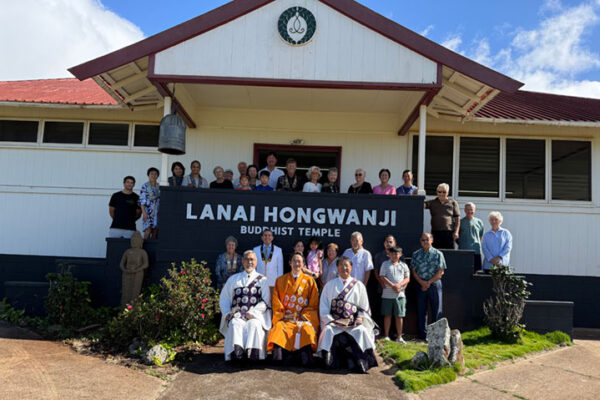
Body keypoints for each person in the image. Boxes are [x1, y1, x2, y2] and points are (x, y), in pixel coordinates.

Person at [317, 256, 378, 373]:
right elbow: (324, 308)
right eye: (341, 265)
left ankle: (361, 363)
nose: (344, 268)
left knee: (361, 331)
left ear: (351, 267)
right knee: (328, 330)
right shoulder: (329, 285)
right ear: (337, 268)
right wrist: (333, 321)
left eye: (346, 265)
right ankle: (329, 362)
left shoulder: (359, 285)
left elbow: (364, 308)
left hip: (353, 323)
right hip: (335, 323)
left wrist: (360, 318)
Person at [268, 252, 320, 366]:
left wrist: (304, 315)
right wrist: (283, 315)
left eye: (299, 262)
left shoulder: (310, 281)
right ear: (290, 263)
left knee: (307, 330)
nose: (297, 264)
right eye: (295, 261)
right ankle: (280, 357)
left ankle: (305, 357)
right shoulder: (280, 280)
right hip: (286, 318)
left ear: (303, 265)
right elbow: (276, 301)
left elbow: (313, 303)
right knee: (279, 328)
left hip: (302, 318)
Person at [219, 250, 271, 362]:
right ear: (242, 261)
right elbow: (224, 298)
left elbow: (266, 301)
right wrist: (227, 313)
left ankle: (252, 356)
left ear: (256, 262)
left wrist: (253, 313)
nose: (249, 262)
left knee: (254, 324)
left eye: (252, 259)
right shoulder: (233, 279)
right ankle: (237, 355)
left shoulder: (263, 280)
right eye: (247, 259)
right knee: (234, 323)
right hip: (237, 314)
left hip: (255, 316)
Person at [411, 233, 447, 340]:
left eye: (427, 239)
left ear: (432, 240)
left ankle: (436, 337)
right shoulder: (416, 254)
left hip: (434, 285)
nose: (425, 242)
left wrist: (429, 282)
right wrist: (421, 282)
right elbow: (413, 270)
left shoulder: (438, 254)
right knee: (421, 311)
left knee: (437, 310)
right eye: (423, 240)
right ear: (420, 241)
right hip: (420, 285)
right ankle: (422, 336)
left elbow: (441, 271)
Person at [379, 246, 410, 343]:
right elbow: (382, 276)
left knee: (399, 316)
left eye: (396, 254)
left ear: (400, 255)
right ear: (389, 254)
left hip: (400, 295)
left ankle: (399, 337)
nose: (394, 255)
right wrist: (392, 285)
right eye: (392, 254)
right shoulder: (385, 264)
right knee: (387, 315)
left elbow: (407, 278)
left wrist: (399, 285)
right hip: (387, 295)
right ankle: (386, 336)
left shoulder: (404, 265)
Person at [370, 234, 397, 328]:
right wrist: (382, 283)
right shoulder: (379, 256)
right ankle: (380, 331)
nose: (388, 244)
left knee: (395, 311)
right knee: (382, 310)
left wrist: (397, 286)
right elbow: (376, 272)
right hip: (383, 288)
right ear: (384, 243)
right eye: (387, 242)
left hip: (396, 290)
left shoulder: (399, 255)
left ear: (394, 243)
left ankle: (393, 332)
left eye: (390, 242)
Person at [425, 183, 460, 249]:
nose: (441, 194)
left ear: (448, 192)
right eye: (439, 192)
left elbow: (457, 219)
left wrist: (456, 232)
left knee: (449, 253)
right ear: (437, 192)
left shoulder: (453, 203)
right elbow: (421, 205)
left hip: (449, 232)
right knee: (436, 252)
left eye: (444, 192)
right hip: (436, 232)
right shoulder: (432, 202)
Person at [253, 229, 284, 295]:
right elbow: (254, 267)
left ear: (272, 238)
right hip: (259, 282)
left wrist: (279, 283)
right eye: (265, 235)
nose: (267, 237)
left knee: (272, 303)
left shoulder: (278, 250)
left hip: (273, 282)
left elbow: (280, 268)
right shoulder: (256, 249)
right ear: (262, 237)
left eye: (269, 235)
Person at [458, 202, 485, 272]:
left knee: (475, 271)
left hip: (476, 251)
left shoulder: (479, 222)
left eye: (471, 209)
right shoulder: (460, 222)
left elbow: (480, 236)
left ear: (474, 210)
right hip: (463, 251)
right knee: (463, 271)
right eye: (468, 209)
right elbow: (456, 237)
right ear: (464, 210)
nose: (470, 211)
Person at [139, 167, 160, 239]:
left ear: (157, 176)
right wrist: (144, 212)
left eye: (155, 174)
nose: (153, 176)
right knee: (148, 229)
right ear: (148, 175)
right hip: (147, 210)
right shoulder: (145, 186)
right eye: (152, 174)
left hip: (156, 210)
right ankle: (143, 248)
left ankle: (153, 248)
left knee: (155, 230)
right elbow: (142, 200)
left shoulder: (159, 186)